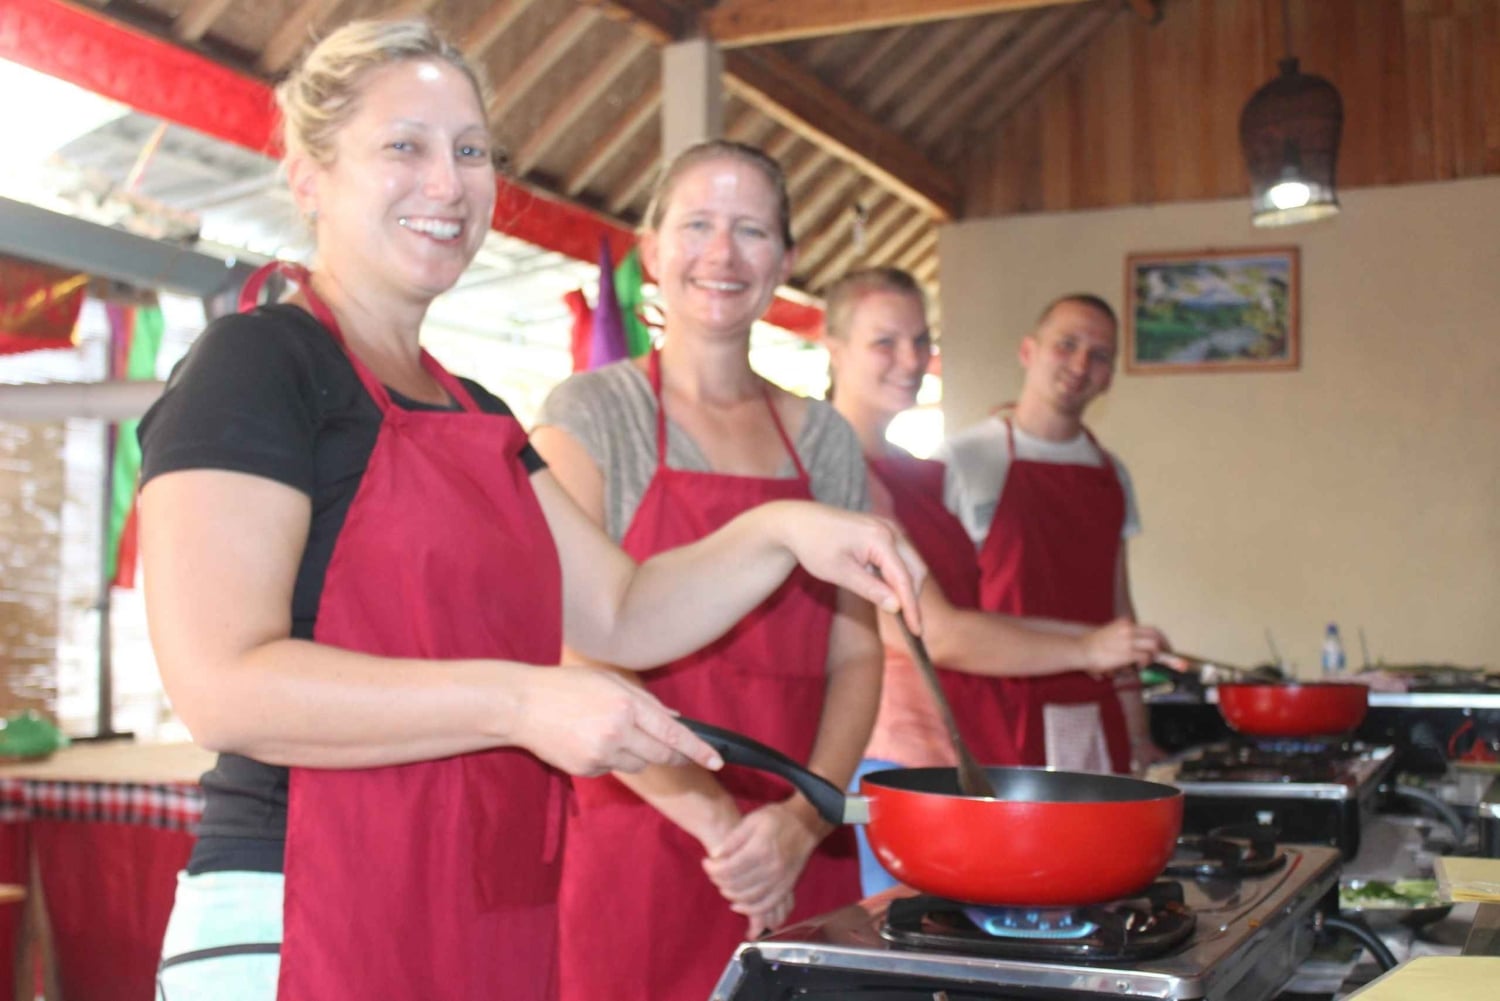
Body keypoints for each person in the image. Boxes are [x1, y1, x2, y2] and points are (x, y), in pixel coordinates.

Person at [138, 24, 922, 1001]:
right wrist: (521, 700)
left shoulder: (477, 409)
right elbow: (223, 684)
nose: (450, 180)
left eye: (471, 151)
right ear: (309, 177)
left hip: (476, 906)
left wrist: (783, 530)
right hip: (299, 901)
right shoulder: (258, 364)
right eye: (406, 146)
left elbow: (625, 610)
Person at [530, 141, 882, 1001]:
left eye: (751, 230)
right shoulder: (593, 413)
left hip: (801, 855)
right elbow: (570, 648)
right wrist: (726, 828)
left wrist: (802, 821)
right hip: (640, 841)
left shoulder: (825, 439)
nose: (722, 255)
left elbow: (858, 655)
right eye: (697, 225)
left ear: (785, 261)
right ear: (652, 249)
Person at [823, 267, 1167, 894]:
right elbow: (937, 633)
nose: (910, 360)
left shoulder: (912, 471)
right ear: (833, 347)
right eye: (884, 342)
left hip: (951, 747)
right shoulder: (839, 467)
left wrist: (1122, 689)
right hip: (888, 751)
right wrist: (1088, 647)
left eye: (921, 341)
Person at [936, 292, 1164, 775]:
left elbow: (1118, 607)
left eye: (1099, 355)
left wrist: (1138, 734)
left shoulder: (1111, 474)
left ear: (1110, 378)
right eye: (1066, 344)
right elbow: (941, 622)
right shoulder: (962, 461)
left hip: (1093, 712)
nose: (1081, 364)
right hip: (995, 711)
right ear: (1028, 351)